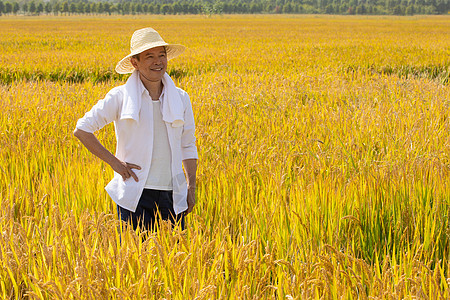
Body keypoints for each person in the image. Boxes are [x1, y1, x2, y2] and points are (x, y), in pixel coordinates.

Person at [74, 27, 198, 231]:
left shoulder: (181, 98)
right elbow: (82, 129)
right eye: (149, 56)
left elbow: (188, 145)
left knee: (172, 258)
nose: (158, 62)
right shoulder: (120, 96)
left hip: (173, 196)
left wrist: (191, 188)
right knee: (135, 258)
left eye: (161, 55)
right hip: (134, 195)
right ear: (135, 62)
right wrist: (116, 163)